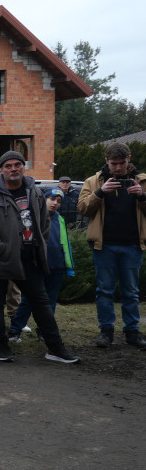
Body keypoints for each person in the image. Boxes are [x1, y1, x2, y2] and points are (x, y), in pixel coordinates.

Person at [0, 151, 80, 364]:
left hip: (29, 258)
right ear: (1, 169)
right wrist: (2, 249)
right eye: (8, 166)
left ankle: (55, 348)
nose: (13, 169)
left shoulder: (35, 191)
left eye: (17, 165)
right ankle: (1, 347)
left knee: (40, 302)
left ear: (23, 167)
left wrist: (39, 244)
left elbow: (45, 222)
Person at [77, 141, 146, 349]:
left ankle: (132, 331)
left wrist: (142, 196)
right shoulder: (93, 181)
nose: (118, 168)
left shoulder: (142, 180)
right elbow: (83, 209)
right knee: (105, 290)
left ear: (129, 159)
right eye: (113, 163)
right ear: (106, 161)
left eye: (122, 163)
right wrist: (100, 192)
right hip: (104, 245)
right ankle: (106, 332)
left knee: (131, 291)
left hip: (133, 245)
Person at [9, 188, 74, 343]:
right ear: (43, 200)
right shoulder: (33, 217)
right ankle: (15, 329)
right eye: (52, 199)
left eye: (59, 201)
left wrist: (69, 267)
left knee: (50, 301)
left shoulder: (60, 219)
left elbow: (65, 243)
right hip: (37, 266)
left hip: (56, 266)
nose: (55, 203)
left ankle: (44, 330)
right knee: (28, 300)